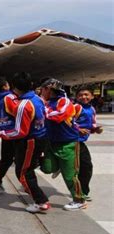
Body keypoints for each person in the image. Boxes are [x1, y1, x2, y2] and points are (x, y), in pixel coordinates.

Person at [0, 72, 49, 213]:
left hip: (21, 137)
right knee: (22, 166)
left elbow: (20, 130)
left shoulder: (16, 104)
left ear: (13, 86)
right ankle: (31, 189)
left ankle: (41, 201)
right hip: (33, 137)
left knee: (22, 170)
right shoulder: (38, 99)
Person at [39, 79, 86, 211]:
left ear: (48, 89)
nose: (41, 93)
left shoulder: (64, 101)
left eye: (42, 90)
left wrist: (43, 109)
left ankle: (79, 199)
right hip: (51, 142)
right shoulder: (47, 103)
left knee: (70, 176)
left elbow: (59, 115)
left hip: (68, 143)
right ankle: (59, 166)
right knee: (46, 168)